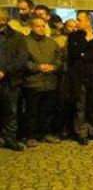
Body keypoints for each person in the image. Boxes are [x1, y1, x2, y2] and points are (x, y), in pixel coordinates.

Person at [67, 11, 93, 145]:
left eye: (79, 20)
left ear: (88, 21)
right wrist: (85, 42)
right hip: (79, 77)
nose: (77, 22)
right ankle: (81, 132)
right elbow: (73, 53)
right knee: (80, 105)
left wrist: (84, 55)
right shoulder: (74, 36)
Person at [23, 17, 63, 147]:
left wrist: (54, 67)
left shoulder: (52, 42)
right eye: (38, 26)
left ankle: (45, 133)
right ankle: (31, 136)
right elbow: (23, 61)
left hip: (50, 82)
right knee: (32, 112)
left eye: (43, 26)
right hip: (33, 82)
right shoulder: (25, 42)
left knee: (47, 111)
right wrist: (37, 67)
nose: (41, 28)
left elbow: (59, 59)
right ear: (32, 27)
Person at [0, 9, 28, 151]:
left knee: (11, 111)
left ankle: (10, 138)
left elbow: (21, 59)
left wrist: (4, 71)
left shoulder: (17, 37)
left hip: (10, 80)